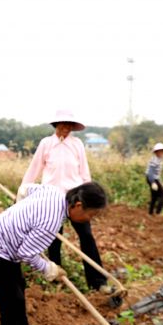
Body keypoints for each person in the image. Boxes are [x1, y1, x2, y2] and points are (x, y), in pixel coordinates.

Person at [0, 182, 108, 325]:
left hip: (7, 243)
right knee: (10, 300)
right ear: (78, 205)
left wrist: (22, 217)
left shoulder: (55, 191)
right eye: (90, 214)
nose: (89, 219)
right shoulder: (51, 223)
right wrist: (49, 269)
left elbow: (25, 188)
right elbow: (26, 253)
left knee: (19, 285)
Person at [16, 110, 110, 293]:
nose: (66, 129)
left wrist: (88, 196)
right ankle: (55, 277)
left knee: (87, 237)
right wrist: (22, 192)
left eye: (69, 126)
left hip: (75, 199)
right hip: (50, 200)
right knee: (53, 239)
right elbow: (34, 168)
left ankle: (98, 281)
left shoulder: (77, 145)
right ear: (56, 124)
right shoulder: (46, 144)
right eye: (63, 125)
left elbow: (84, 172)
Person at [146, 142, 163, 215]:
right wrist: (153, 182)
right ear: (156, 152)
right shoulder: (154, 160)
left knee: (154, 196)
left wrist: (158, 179)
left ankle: (150, 213)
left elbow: (157, 172)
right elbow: (150, 172)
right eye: (160, 151)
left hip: (155, 179)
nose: (162, 152)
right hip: (151, 178)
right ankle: (158, 213)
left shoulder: (159, 159)